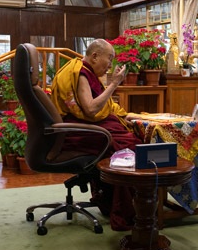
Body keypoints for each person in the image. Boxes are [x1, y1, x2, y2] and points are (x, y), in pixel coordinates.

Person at [50, 39, 143, 230]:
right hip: (78, 133)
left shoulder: (84, 71)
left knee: (130, 136)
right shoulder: (81, 73)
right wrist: (113, 84)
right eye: (109, 59)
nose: (110, 65)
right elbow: (91, 110)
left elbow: (101, 107)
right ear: (94, 56)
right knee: (130, 147)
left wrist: (126, 115)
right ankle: (123, 211)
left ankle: (112, 202)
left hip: (82, 128)